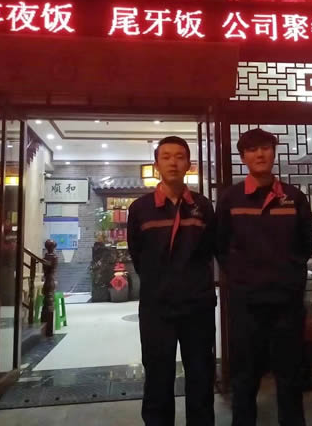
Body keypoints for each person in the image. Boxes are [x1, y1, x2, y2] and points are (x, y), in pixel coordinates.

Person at [216, 128, 312, 426]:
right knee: (244, 375)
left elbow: (307, 242)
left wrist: (289, 274)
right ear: (243, 157)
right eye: (252, 149)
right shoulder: (231, 198)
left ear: (273, 152)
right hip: (246, 303)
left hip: (286, 302)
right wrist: (240, 277)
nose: (259, 154)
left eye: (265, 148)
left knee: (290, 374)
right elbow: (220, 244)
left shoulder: (293, 197)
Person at [127, 136, 216, 426]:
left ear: (189, 164)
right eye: (166, 157)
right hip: (157, 307)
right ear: (156, 165)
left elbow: (210, 249)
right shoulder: (140, 208)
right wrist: (159, 282)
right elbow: (137, 254)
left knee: (201, 376)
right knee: (157, 377)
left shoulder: (202, 205)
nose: (173, 162)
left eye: (180, 156)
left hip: (198, 306)